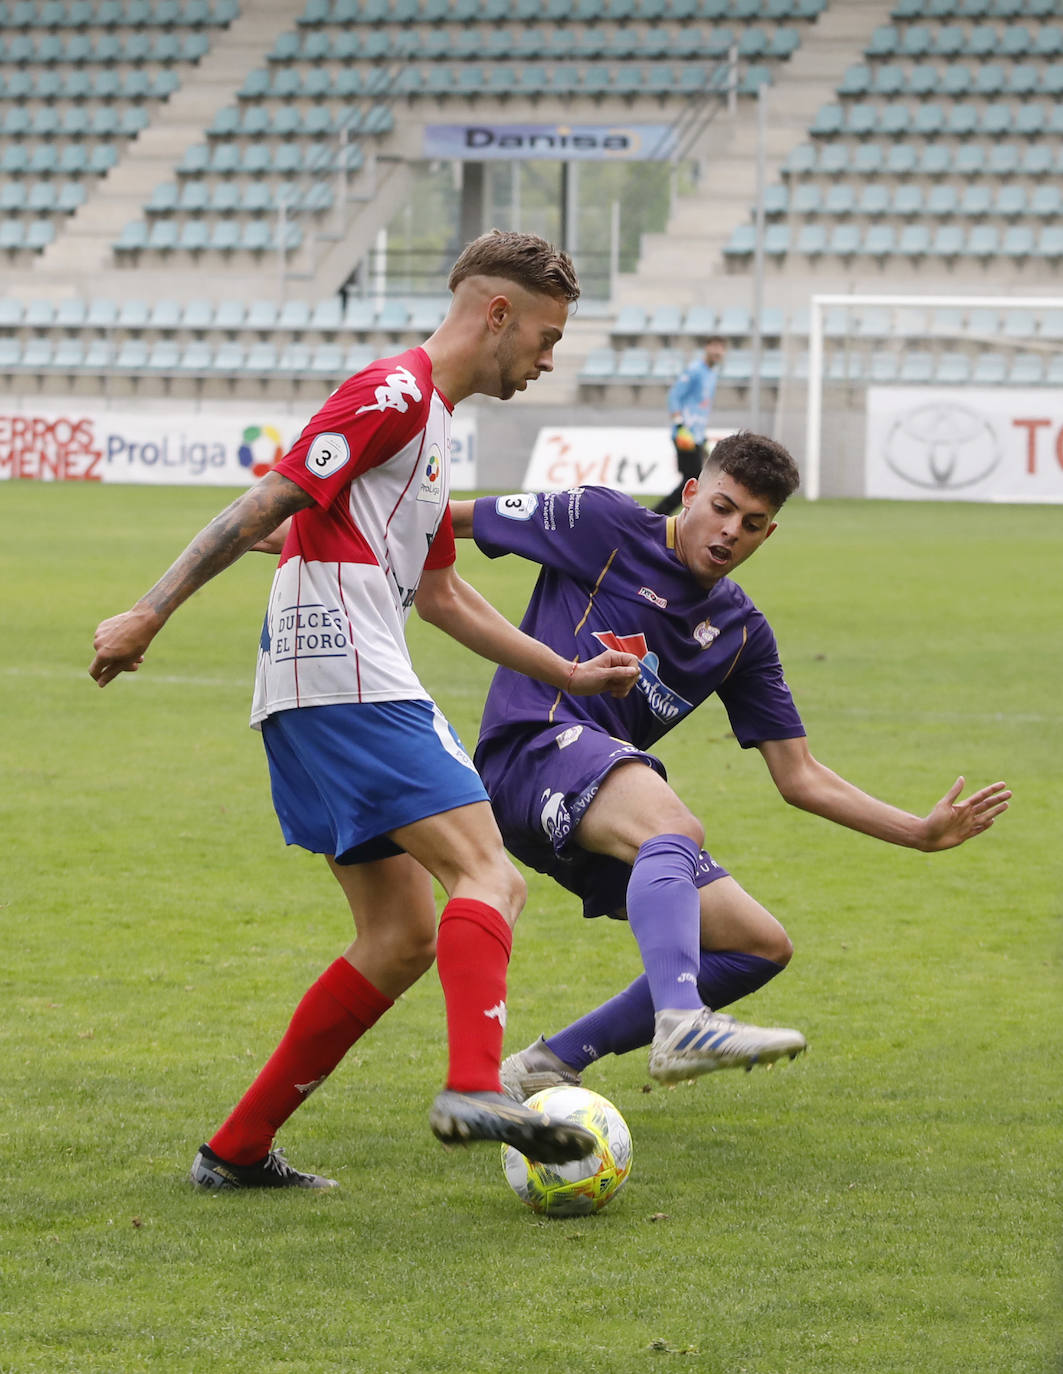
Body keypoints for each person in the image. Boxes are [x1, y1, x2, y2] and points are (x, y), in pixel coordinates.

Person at [88, 229, 641, 1191]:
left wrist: (568, 672)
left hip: (316, 681)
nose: (548, 361)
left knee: (400, 938)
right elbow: (264, 504)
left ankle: (238, 1149)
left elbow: (444, 596)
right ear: (495, 313)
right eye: (546, 337)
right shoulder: (391, 393)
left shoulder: (427, 424)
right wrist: (149, 610)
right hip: (347, 670)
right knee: (489, 875)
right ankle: (476, 1088)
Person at [447, 433, 1011, 1102]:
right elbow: (442, 516)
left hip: (594, 796)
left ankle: (544, 1064)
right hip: (530, 748)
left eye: (749, 524)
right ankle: (681, 1022)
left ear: (766, 535)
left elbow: (798, 774)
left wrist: (916, 832)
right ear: (691, 493)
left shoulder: (740, 631)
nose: (727, 532)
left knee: (756, 945)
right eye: (719, 507)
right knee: (673, 827)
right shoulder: (598, 521)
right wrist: (304, 522)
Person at [653, 335, 727, 516]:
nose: (718, 351)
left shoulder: (711, 374)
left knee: (697, 478)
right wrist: (679, 424)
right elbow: (674, 395)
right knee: (693, 479)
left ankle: (661, 516)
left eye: (721, 348)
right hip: (685, 434)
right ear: (707, 347)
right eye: (715, 346)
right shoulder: (695, 370)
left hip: (697, 435)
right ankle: (657, 515)